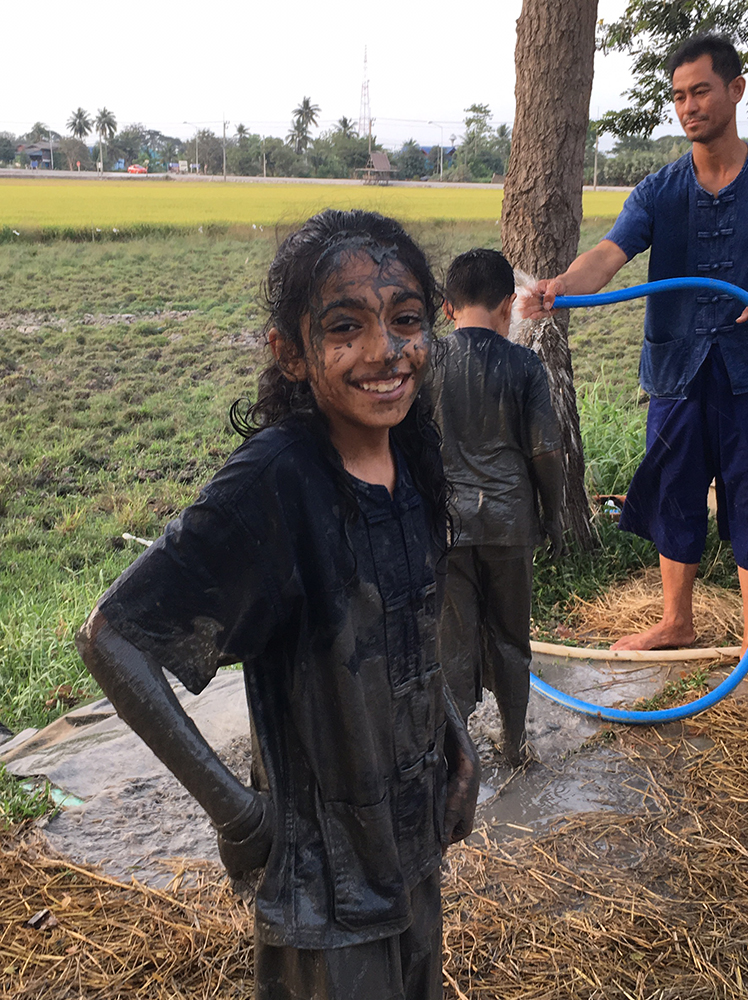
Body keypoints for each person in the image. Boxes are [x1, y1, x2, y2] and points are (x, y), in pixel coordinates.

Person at [76, 209, 480, 1000]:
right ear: (290, 353)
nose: (384, 352)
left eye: (405, 321)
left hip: (412, 848)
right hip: (324, 889)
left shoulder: (413, 455)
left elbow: (405, 628)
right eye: (344, 327)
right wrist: (241, 818)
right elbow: (112, 637)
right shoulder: (275, 481)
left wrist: (454, 740)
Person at [523, 34, 748, 658]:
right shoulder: (660, 190)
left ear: (735, 89)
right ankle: (677, 622)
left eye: (701, 91)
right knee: (675, 485)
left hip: (745, 372)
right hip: (677, 367)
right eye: (678, 96)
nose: (688, 106)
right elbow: (608, 254)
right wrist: (562, 285)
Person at [431, 248, 563, 766]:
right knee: (511, 638)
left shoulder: (429, 363)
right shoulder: (525, 365)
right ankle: (514, 745)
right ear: (509, 304)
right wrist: (551, 516)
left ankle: (457, 761)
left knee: (452, 645)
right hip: (510, 525)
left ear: (446, 309)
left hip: (445, 528)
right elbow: (546, 452)